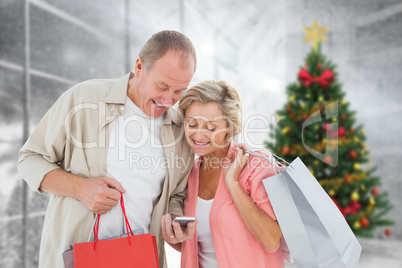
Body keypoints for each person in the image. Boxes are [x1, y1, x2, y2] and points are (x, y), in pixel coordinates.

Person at [18, 30, 197, 268]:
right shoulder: (85, 99)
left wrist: (175, 223)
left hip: (140, 259)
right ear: (140, 66)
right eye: (161, 86)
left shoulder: (179, 130)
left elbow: (175, 195)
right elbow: (30, 159)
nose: (168, 100)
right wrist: (80, 188)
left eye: (178, 91)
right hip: (75, 256)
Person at [161, 80, 285, 267]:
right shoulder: (190, 173)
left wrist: (233, 184)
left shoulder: (256, 165)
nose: (199, 135)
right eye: (192, 124)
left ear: (230, 128)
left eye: (211, 128)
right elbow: (200, 245)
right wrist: (173, 236)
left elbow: (271, 241)